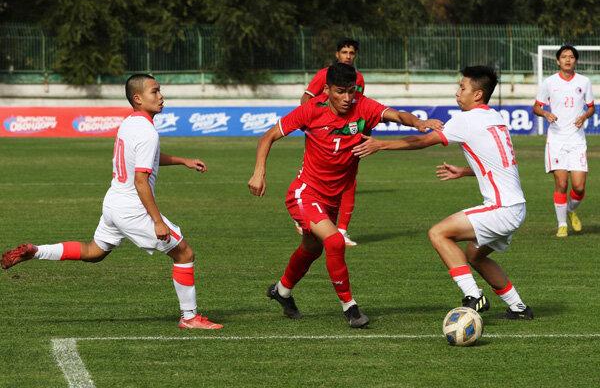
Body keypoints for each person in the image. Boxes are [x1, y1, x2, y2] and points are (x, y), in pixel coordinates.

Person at [1, 74, 223, 330]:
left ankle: (36, 250)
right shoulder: (147, 132)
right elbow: (141, 181)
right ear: (138, 98)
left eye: (160, 91)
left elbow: (145, 157)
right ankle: (189, 317)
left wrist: (182, 160)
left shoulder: (129, 123)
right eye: (155, 91)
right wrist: (157, 221)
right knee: (184, 253)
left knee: (93, 252)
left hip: (113, 201)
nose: (161, 96)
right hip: (132, 208)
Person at [248, 62, 443, 328]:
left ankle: (281, 292)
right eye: (341, 92)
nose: (347, 98)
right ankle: (350, 308)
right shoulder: (310, 110)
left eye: (351, 91)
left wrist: (418, 122)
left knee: (311, 248)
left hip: (331, 199)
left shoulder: (362, 106)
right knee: (334, 241)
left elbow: (396, 115)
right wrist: (259, 172)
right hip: (305, 193)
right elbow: (267, 136)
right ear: (327, 90)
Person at [353, 65, 533, 320]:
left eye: (462, 88)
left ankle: (474, 296)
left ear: (478, 95)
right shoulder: (495, 118)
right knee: (475, 255)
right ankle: (519, 308)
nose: (457, 92)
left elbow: (422, 141)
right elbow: (500, 164)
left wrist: (381, 144)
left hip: (502, 209)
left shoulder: (466, 119)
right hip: (516, 207)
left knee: (438, 233)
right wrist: (464, 171)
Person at [298, 38, 365, 246]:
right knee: (315, 178)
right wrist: (314, 124)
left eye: (351, 53)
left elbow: (359, 106)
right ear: (337, 54)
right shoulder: (324, 75)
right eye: (344, 52)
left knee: (349, 180)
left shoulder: (359, 78)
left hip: (349, 135)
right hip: (323, 137)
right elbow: (305, 99)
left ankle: (342, 230)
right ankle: (306, 215)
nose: (348, 56)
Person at [533, 45, 594, 238]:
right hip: (556, 139)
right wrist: (545, 113)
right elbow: (536, 107)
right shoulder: (549, 82)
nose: (568, 60)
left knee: (579, 187)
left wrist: (584, 116)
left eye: (571, 57)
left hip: (577, 140)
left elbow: (591, 107)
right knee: (561, 183)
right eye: (564, 57)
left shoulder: (584, 82)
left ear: (576, 60)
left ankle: (569, 209)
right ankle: (562, 225)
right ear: (558, 61)